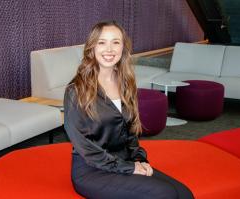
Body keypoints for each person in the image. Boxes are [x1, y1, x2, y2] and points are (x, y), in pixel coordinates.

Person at [64, 21, 194, 199]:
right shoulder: (76, 90)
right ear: (92, 48)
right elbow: (84, 146)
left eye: (115, 42)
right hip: (92, 170)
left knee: (184, 194)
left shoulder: (126, 83)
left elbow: (130, 131)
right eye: (102, 42)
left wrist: (138, 159)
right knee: (165, 194)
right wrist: (129, 168)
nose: (109, 49)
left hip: (125, 162)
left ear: (123, 47)